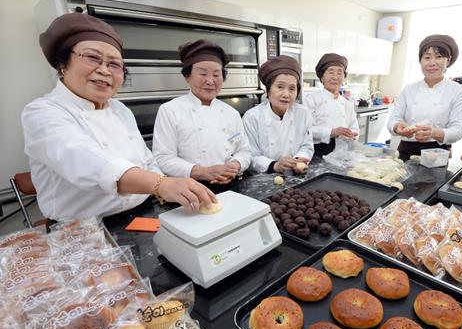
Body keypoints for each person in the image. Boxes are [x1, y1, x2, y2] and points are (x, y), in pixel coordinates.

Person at [21, 13, 215, 221]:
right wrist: (162, 184)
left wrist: (164, 189)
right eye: (92, 57)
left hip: (144, 214)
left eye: (114, 65)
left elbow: (147, 160)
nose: (104, 70)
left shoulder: (120, 109)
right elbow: (87, 160)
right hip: (82, 230)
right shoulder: (42, 112)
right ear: (63, 63)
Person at [152, 39, 252, 184]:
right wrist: (204, 172)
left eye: (217, 75)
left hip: (230, 184)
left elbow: (244, 151)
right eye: (203, 74)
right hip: (189, 188)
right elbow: (163, 158)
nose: (210, 81)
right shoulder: (170, 110)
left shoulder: (231, 113)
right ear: (187, 76)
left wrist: (235, 166)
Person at [388, 34, 462, 158]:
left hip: (438, 153)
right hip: (405, 150)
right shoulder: (409, 89)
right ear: (421, 61)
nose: (432, 63)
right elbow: (393, 119)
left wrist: (434, 133)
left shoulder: (458, 90)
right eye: (427, 57)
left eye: (439, 57)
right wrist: (397, 127)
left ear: (448, 60)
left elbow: (459, 129)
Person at [243, 55, 314, 174]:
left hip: (294, 175)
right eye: (280, 87)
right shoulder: (252, 117)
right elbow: (250, 155)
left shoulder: (303, 113)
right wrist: (275, 165)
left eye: (292, 89)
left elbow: (307, 145)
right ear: (268, 89)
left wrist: (297, 160)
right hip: (262, 179)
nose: (286, 94)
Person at [304, 53, 359, 156]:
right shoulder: (312, 100)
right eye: (331, 72)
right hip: (318, 152)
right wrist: (331, 132)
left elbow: (354, 127)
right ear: (322, 77)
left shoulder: (347, 104)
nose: (335, 77)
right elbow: (306, 130)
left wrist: (352, 134)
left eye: (339, 73)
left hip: (343, 153)